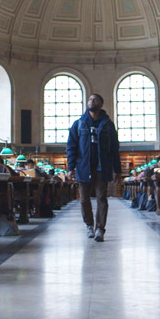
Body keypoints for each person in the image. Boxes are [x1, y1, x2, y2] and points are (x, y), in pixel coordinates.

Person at [66, 93, 121, 242]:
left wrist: (118, 170)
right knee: (84, 199)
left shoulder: (108, 124)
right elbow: (71, 146)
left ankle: (100, 229)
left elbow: (115, 148)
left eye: (95, 99)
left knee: (101, 198)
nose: (91, 101)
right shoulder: (78, 123)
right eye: (90, 99)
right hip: (84, 167)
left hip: (101, 168)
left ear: (101, 104)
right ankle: (89, 225)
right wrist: (70, 167)